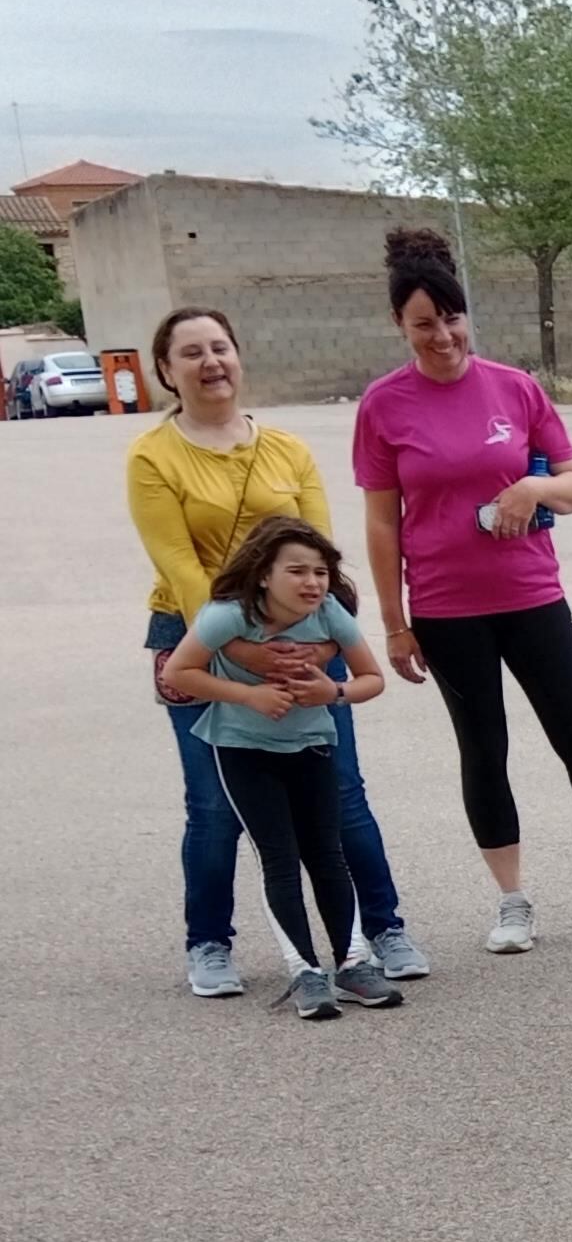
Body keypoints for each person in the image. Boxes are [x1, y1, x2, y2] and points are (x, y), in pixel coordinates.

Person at [353, 226, 572, 953]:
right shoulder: (383, 406)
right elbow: (382, 525)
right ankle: (511, 901)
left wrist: (533, 485)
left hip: (532, 596)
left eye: (451, 319)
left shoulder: (515, 387)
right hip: (446, 609)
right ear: (398, 325)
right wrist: (394, 622)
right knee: (483, 750)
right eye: (423, 325)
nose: (441, 337)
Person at [129, 305, 420, 997]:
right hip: (198, 637)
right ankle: (209, 942)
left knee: (340, 793)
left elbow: (318, 547)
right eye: (191, 353)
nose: (211, 363)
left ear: (239, 355)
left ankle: (380, 929)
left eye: (220, 347)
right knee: (214, 805)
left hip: (308, 639)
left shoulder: (286, 447)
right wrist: (243, 649)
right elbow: (179, 564)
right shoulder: (153, 456)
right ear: (166, 371)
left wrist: (312, 643)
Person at [155, 517, 397, 1020]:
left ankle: (353, 963)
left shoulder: (330, 612)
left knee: (327, 853)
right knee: (279, 857)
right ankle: (304, 971)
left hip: (313, 746)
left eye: (321, 572)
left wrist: (333, 693)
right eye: (297, 571)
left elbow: (371, 678)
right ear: (263, 574)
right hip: (242, 749)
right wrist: (249, 695)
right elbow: (178, 673)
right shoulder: (227, 614)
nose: (313, 583)